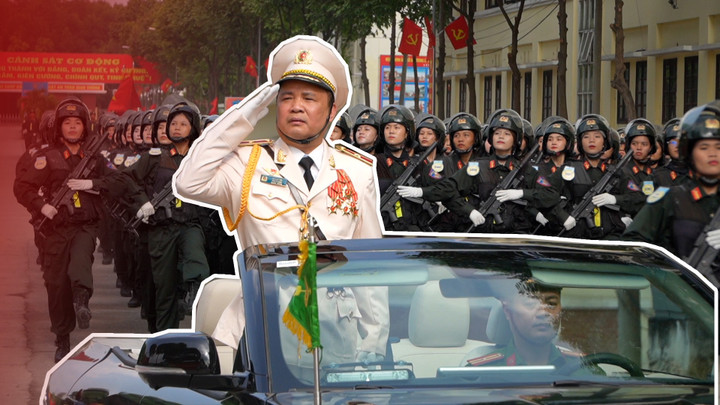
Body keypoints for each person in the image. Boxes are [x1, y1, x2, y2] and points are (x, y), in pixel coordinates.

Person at [174, 35, 387, 361]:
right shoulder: (247, 163)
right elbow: (189, 181)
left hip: (335, 333)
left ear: (332, 111)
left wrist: (374, 345)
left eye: (309, 98)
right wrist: (246, 113)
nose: (296, 106)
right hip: (259, 328)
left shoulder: (355, 171)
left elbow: (369, 266)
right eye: (286, 98)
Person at [13, 98, 118, 362]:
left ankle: (82, 302)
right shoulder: (47, 157)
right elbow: (22, 187)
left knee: (80, 263)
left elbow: (117, 181)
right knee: (56, 284)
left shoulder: (96, 158)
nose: (72, 127)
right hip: (56, 229)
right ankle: (62, 337)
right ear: (59, 127)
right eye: (67, 123)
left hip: (84, 225)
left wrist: (92, 183)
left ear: (85, 127)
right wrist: (42, 206)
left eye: (77, 123)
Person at [120, 102, 210, 331]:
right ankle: (164, 337)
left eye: (183, 124)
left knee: (196, 256)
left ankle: (192, 290)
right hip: (161, 229)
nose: (177, 127)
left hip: (190, 223)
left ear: (193, 128)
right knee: (164, 290)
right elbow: (127, 178)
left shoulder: (199, 158)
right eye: (173, 124)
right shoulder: (155, 157)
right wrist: (142, 203)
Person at [624, 102, 720, 281]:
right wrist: (663, 271)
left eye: (718, 147)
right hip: (679, 291)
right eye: (704, 147)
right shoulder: (670, 198)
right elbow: (632, 245)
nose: (713, 154)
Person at [462, 278, 583, 367]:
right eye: (530, 303)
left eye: (551, 304)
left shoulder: (582, 369)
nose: (544, 312)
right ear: (508, 311)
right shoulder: (481, 373)